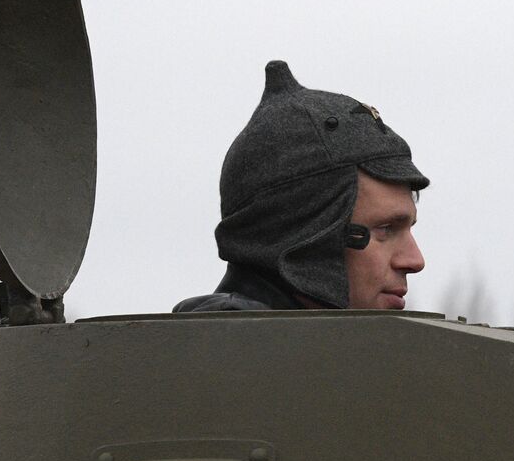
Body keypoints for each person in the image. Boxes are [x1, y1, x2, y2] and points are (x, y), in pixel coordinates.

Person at [174, 60, 427, 313]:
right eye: (385, 229)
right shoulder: (238, 351)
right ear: (306, 235)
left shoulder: (328, 349)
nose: (415, 260)